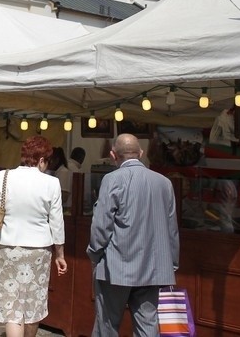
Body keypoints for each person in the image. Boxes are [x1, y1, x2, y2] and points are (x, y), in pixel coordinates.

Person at [0, 135, 67, 337]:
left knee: (12, 308)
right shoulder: (52, 183)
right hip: (39, 250)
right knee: (33, 304)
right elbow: (57, 222)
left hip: (7, 247)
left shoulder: (3, 177)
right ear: (41, 160)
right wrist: (60, 254)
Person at [86, 133, 180, 337]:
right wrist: (171, 263)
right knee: (148, 326)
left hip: (116, 266)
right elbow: (172, 229)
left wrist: (94, 254)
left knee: (107, 326)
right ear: (141, 153)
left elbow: (101, 225)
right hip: (153, 267)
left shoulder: (112, 179)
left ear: (113, 155)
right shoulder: (164, 183)